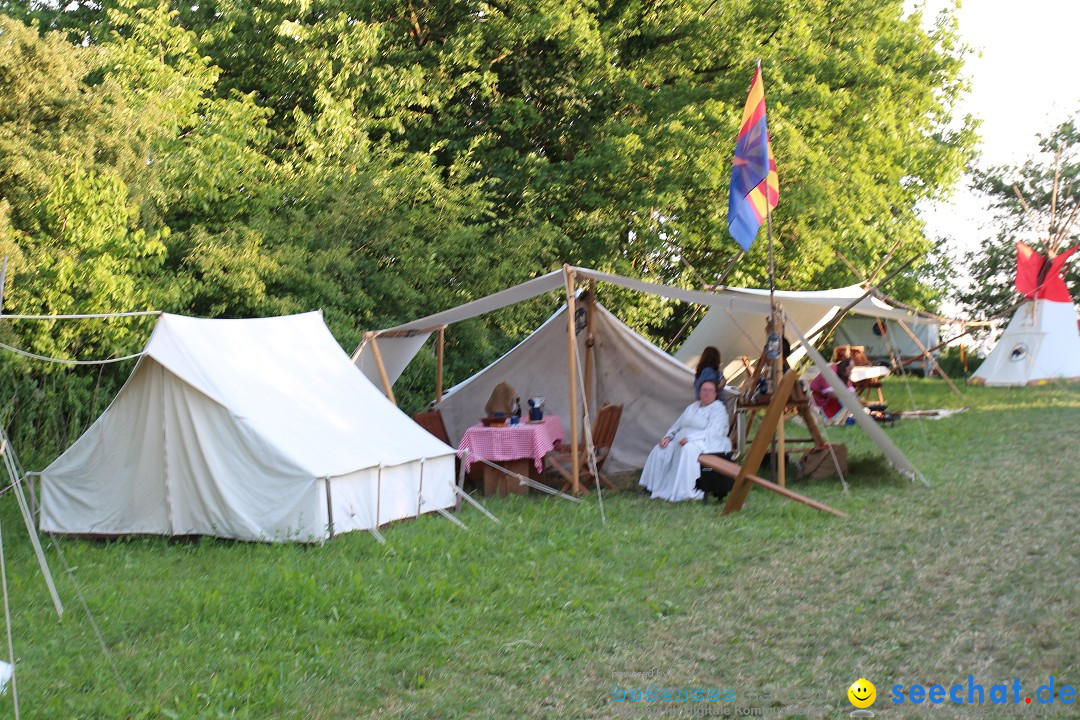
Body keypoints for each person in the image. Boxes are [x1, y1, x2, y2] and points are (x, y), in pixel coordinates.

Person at [639, 380, 731, 502]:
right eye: (704, 390)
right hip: (681, 440)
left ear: (715, 394)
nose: (706, 393)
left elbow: (714, 432)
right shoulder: (692, 407)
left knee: (689, 449)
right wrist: (668, 437)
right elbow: (678, 425)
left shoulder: (718, 409)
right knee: (660, 448)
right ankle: (652, 486)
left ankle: (687, 491)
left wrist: (690, 439)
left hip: (707, 442)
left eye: (710, 390)